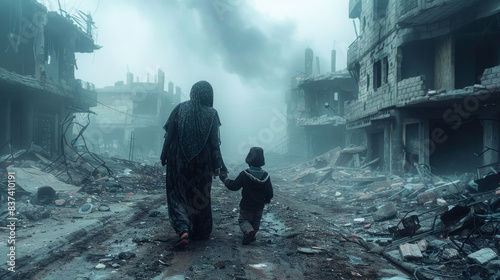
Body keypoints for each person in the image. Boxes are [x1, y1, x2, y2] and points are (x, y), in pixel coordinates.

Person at [160, 80, 226, 249]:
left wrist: (164, 155)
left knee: (177, 195)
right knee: (199, 195)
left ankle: (183, 230)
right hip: (201, 164)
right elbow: (214, 144)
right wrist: (220, 166)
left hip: (177, 160)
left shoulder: (180, 109)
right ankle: (200, 231)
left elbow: (169, 135)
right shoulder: (212, 113)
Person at [219, 147, 273, 245]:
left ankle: (249, 232)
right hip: (259, 206)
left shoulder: (244, 174)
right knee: (256, 222)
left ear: (248, 159)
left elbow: (234, 186)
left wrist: (224, 179)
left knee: (243, 221)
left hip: (247, 205)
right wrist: (266, 200)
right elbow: (270, 193)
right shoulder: (266, 176)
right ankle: (253, 233)